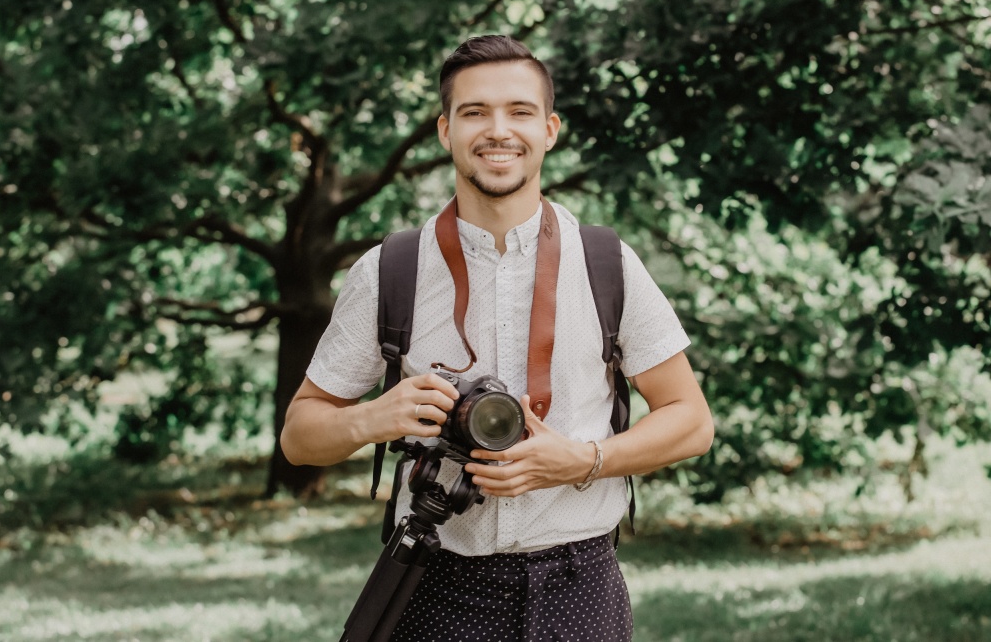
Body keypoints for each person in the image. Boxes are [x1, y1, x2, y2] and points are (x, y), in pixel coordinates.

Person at [281, 35, 714, 642]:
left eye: (519, 111)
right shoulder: (391, 269)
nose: (498, 130)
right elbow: (300, 436)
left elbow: (691, 420)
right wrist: (374, 418)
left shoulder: (605, 263)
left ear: (550, 129)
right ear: (445, 130)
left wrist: (583, 461)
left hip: (580, 582)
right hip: (435, 582)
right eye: (474, 112)